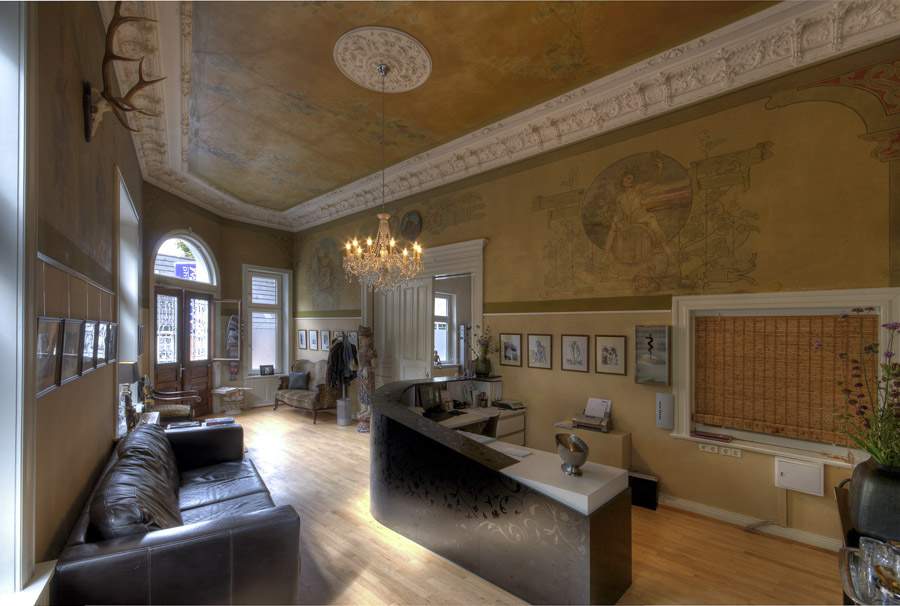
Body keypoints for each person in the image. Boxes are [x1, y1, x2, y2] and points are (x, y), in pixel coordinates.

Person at [605, 154, 670, 256]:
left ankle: (664, 245)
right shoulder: (620, 196)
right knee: (613, 228)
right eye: (628, 178)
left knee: (654, 225)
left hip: (641, 216)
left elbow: (653, 181)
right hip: (628, 220)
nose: (631, 181)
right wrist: (616, 221)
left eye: (632, 179)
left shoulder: (638, 189)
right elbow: (619, 212)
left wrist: (659, 168)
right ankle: (606, 254)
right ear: (622, 180)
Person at [352, 325, 377, 433]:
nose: (360, 341)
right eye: (359, 339)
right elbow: (359, 366)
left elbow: (375, 366)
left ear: (369, 339)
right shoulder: (359, 351)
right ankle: (365, 409)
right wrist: (353, 367)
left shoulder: (371, 351)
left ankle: (369, 410)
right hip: (360, 376)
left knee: (368, 392)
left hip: (368, 377)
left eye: (362, 339)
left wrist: (368, 368)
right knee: (362, 393)